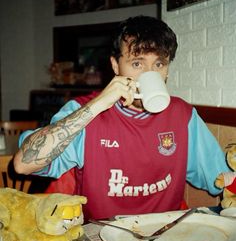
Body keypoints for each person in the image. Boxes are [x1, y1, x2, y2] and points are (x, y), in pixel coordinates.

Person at [14, 15, 229, 221]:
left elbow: (221, 177)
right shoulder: (84, 111)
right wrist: (97, 105)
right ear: (116, 66)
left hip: (165, 237)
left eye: (159, 64)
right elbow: (23, 165)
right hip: (101, 237)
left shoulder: (183, 116)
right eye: (137, 64)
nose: (149, 73)